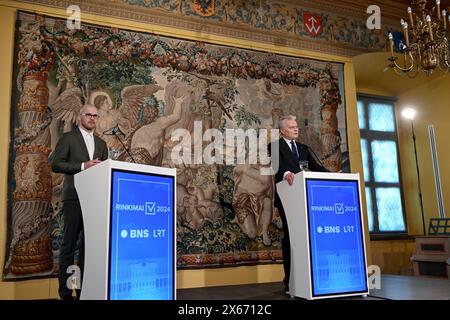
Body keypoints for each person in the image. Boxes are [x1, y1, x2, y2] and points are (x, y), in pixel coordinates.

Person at [49, 104, 109, 300]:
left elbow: (105, 170)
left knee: (88, 248)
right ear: (79, 117)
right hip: (74, 197)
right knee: (69, 245)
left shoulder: (101, 144)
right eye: (88, 115)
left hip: (95, 200)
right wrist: (83, 166)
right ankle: (66, 293)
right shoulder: (68, 138)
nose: (92, 118)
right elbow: (56, 164)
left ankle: (84, 291)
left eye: (95, 115)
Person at [269, 115, 328, 295]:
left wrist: (334, 174)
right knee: (291, 238)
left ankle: (308, 281)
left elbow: (316, 167)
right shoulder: (274, 146)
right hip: (288, 198)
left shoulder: (303, 148)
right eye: (292, 127)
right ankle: (290, 282)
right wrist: (287, 173)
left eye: (296, 127)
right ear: (282, 130)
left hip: (305, 197)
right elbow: (277, 167)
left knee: (307, 238)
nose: (296, 129)